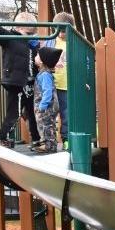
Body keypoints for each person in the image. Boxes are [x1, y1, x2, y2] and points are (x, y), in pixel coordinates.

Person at [0, 13, 41, 148]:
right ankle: (3, 137)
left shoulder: (32, 44)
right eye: (28, 33)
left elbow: (36, 60)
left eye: (32, 34)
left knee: (33, 112)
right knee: (14, 112)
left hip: (30, 83)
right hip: (16, 82)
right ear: (18, 28)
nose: (30, 36)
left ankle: (37, 139)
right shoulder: (11, 38)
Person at [50, 11, 76, 144]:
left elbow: (83, 61)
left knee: (66, 114)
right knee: (51, 112)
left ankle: (66, 138)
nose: (60, 33)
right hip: (53, 83)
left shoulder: (74, 43)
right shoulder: (52, 41)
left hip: (67, 84)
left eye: (63, 30)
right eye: (57, 30)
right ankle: (49, 139)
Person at [32, 46, 62, 153]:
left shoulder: (44, 75)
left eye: (37, 55)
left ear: (41, 61)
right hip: (48, 105)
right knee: (48, 124)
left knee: (45, 124)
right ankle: (49, 143)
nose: (35, 57)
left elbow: (47, 91)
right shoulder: (44, 73)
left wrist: (43, 105)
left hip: (47, 106)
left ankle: (49, 145)